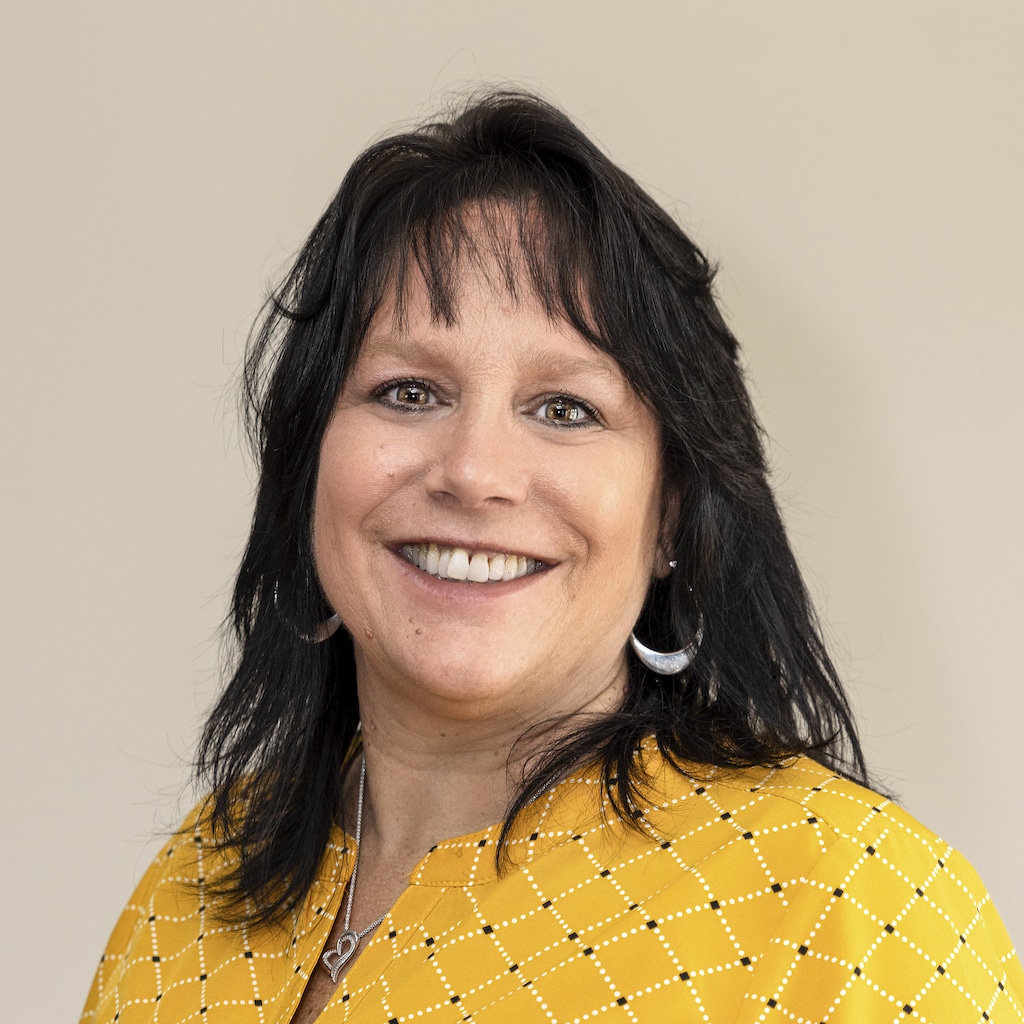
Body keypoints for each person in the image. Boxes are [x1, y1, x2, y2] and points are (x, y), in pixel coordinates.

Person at [80, 91, 1023, 1024]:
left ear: (671, 515)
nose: (475, 472)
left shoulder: (853, 907)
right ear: (307, 464)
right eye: (408, 392)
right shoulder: (189, 890)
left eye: (565, 409)